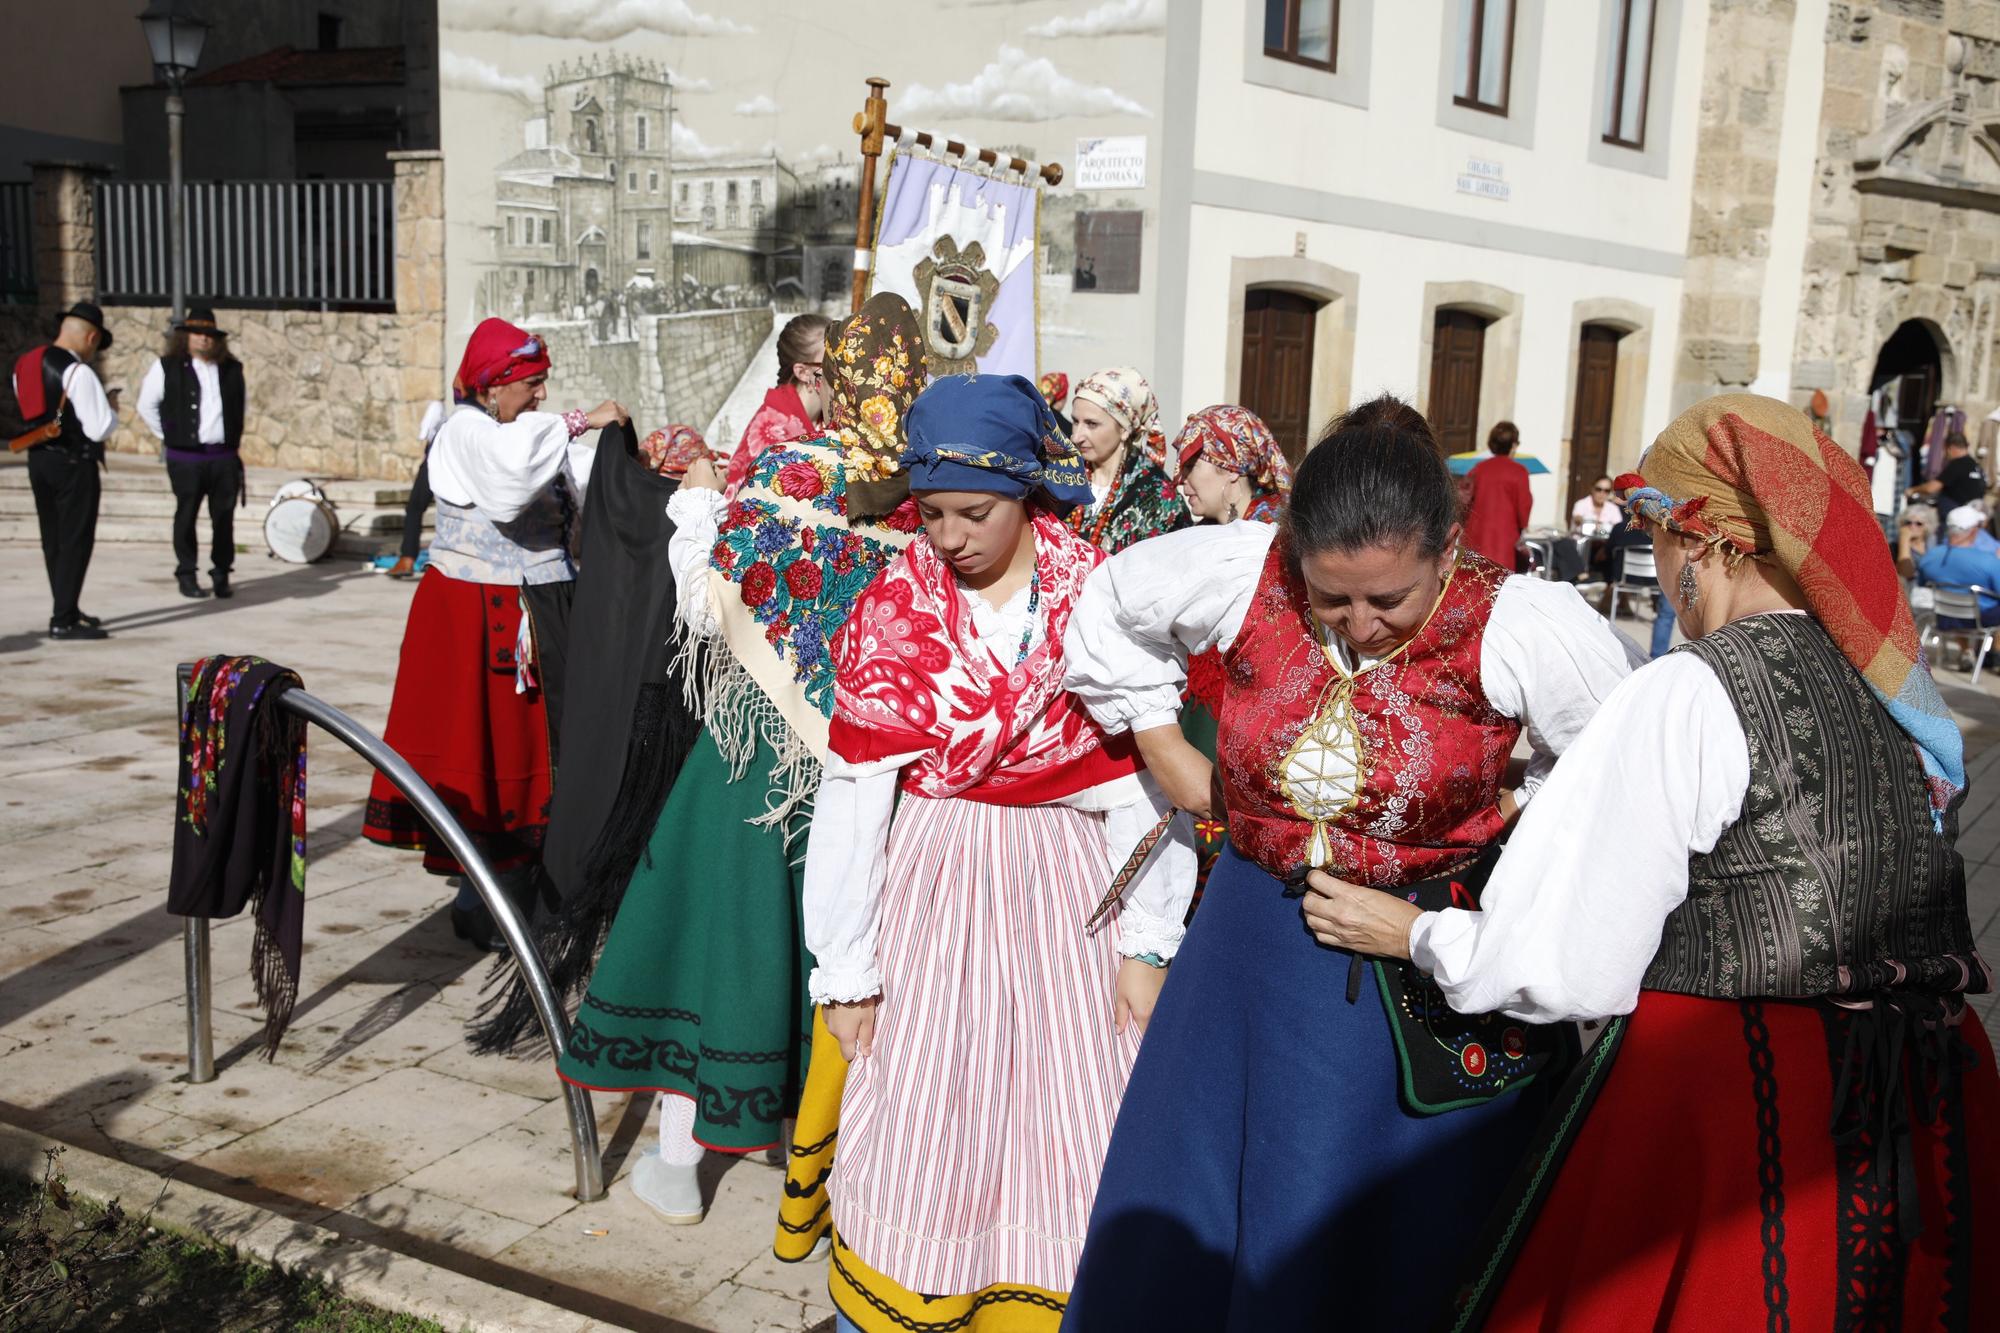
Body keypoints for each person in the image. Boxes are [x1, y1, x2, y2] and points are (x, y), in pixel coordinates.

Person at [1302, 394, 1999, 1330]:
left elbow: (1567, 964)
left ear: (1700, 541)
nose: (1660, 562)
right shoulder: (1877, 688)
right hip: (1931, 1098)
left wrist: (1418, 933)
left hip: (1752, 1110)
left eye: (1654, 532)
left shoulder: (1689, 692)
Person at [1057, 395, 1639, 1329]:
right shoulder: (1245, 571)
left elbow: (1616, 756)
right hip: (1243, 953)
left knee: (1341, 1249)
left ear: (1446, 552)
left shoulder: (1520, 626)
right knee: (1189, 1218)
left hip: (1404, 976)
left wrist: (1520, 810)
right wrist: (1163, 743)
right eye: (1332, 597)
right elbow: (1109, 604)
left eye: (1388, 599)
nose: (1359, 622)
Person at [807, 373, 1195, 1333]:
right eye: (931, 512)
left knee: (1065, 1120)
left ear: (1027, 490)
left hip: (1068, 897)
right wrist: (846, 967)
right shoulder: (897, 607)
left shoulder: (1096, 606)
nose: (947, 537)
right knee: (928, 1112)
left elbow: (1141, 789)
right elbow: (855, 795)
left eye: (973, 512)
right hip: (935, 889)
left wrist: (1147, 944)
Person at [553, 293, 930, 1223]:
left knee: (713, 942)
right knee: (852, 953)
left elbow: (702, 602)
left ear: (836, 384)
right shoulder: (933, 499)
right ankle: (835, 1159)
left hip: (753, 753)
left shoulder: (792, 473)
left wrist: (695, 498)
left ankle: (682, 1163)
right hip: (876, 766)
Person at [361, 318, 625, 949]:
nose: (539, 396)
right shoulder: (465, 433)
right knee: (490, 755)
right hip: (479, 621)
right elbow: (508, 486)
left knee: (546, 755)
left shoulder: (524, 436)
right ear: (492, 386)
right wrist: (578, 419)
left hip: (542, 608)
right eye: (530, 384)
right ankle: (489, 901)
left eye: (543, 385)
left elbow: (586, 480)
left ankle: (531, 891)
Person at [1172, 404, 1293, 888]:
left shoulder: (1278, 534)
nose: (1181, 481)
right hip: (1207, 712)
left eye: (1190, 467)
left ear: (1228, 468)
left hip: (1255, 712)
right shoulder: (1205, 534)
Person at [15, 302, 116, 640]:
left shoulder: (24, 364)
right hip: (73, 462)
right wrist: (111, 408)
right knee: (75, 539)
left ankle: (66, 605)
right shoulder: (79, 372)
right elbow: (99, 427)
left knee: (54, 538)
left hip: (38, 459)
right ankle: (63, 620)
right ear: (91, 336)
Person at [136, 307, 245, 600]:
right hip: (186, 459)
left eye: (209, 335)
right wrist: (170, 436)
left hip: (222, 456)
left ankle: (221, 572)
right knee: (186, 515)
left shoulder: (231, 369)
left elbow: (237, 410)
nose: (204, 340)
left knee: (223, 517)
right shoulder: (167, 367)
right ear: (185, 337)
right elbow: (146, 406)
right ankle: (187, 573)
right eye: (197, 333)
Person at [1065, 367, 1189, 552]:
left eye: (1091, 424)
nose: (1076, 436)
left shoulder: (1155, 495)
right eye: (1075, 422)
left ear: (1124, 429)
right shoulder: (1062, 477)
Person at [723, 312, 831, 494]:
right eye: (832, 362)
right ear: (804, 372)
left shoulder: (823, 412)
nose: (846, 368)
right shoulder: (775, 438)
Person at [384, 402, 447, 580]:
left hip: (435, 462)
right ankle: (409, 559)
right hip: (442, 462)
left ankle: (408, 558)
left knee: (415, 508)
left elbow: (427, 432)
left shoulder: (440, 410)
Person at [1462, 419, 1533, 569]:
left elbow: (1464, 500)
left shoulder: (1478, 468)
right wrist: (1524, 526)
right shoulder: (1519, 472)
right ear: (1513, 445)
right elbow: (1523, 507)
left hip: (1475, 538)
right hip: (1503, 541)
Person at [1916, 504, 2000, 625]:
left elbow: (1922, 584)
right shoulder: (1989, 561)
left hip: (1942, 617)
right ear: (1974, 531)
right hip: (1981, 619)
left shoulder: (1930, 556)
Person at [1908, 429, 1987, 523]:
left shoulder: (1957, 464)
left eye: (1945, 450)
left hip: (1954, 518)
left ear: (1951, 448)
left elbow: (1931, 488)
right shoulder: (1976, 466)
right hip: (1972, 518)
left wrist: (1913, 490)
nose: (1945, 454)